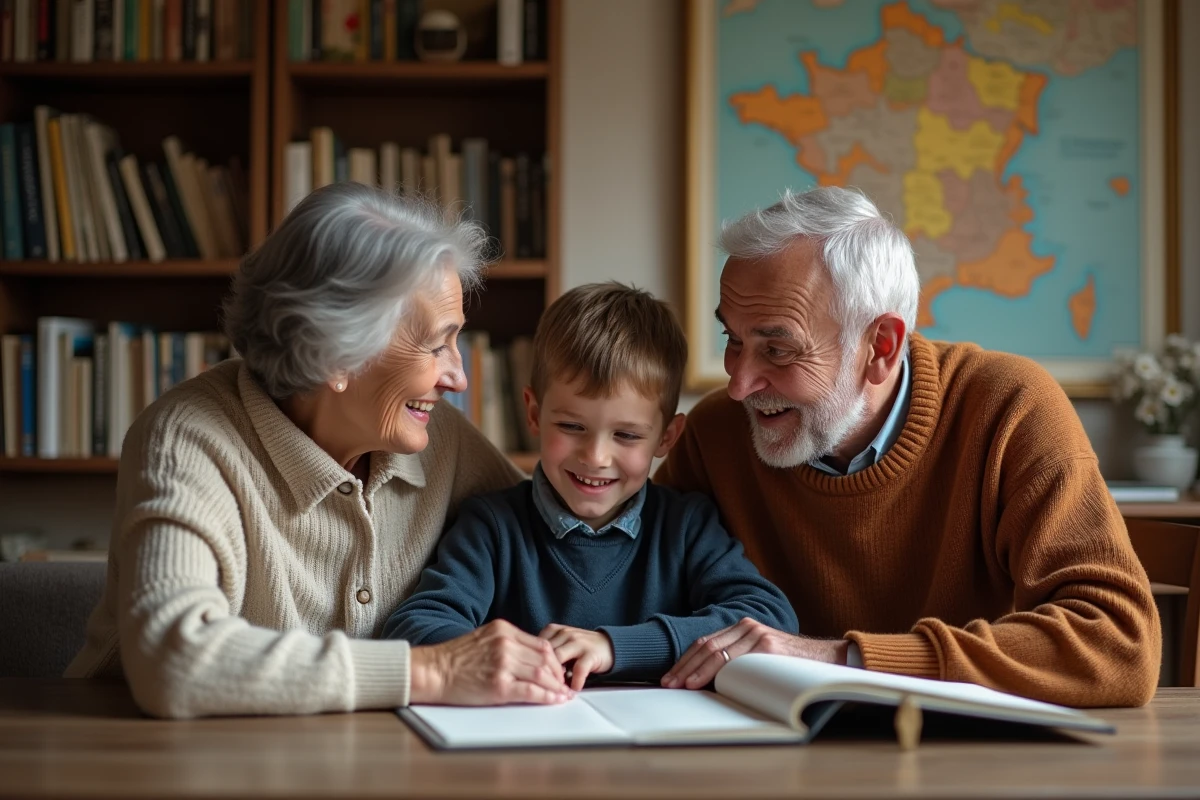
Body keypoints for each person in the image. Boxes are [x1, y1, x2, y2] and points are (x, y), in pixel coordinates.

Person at [66, 183, 575, 718]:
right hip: (146, 751)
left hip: (354, 752)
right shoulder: (188, 437)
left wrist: (630, 641)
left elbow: (561, 543)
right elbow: (173, 659)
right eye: (435, 345)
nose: (458, 377)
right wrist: (436, 671)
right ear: (337, 355)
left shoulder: (436, 439)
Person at [655, 186, 1161, 708]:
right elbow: (634, 590)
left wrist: (842, 660)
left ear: (881, 347)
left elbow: (1119, 645)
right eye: (734, 340)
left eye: (777, 349)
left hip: (971, 749)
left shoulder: (1010, 410)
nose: (739, 385)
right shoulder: (714, 435)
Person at [384, 282, 798, 689]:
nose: (596, 456)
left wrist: (617, 647)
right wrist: (508, 658)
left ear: (666, 438)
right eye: (571, 426)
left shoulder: (687, 527)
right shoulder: (492, 527)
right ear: (534, 414)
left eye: (627, 435)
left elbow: (769, 618)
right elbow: (414, 628)